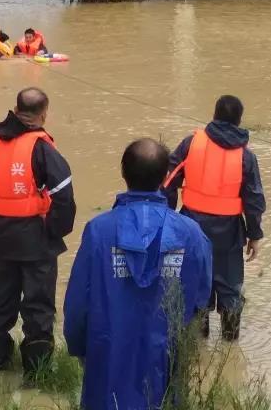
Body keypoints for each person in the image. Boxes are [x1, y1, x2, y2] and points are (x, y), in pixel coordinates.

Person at [63, 138, 212, 410]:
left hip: (108, 354)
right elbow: (201, 300)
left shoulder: (98, 231)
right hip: (167, 357)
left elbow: (76, 304)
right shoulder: (191, 234)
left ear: (123, 172)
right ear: (167, 177)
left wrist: (79, 348)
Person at [0, 88, 76, 376]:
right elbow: (64, 197)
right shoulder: (42, 148)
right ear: (43, 114)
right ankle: (36, 375)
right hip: (36, 240)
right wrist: (54, 232)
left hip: (2, 237)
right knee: (38, 306)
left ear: (16, 110)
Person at [163, 95, 266, 341]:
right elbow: (254, 201)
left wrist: (167, 217)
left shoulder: (191, 143)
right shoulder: (246, 157)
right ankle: (229, 349)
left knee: (198, 285)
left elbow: (168, 181)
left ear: (214, 114)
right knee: (230, 290)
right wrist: (254, 235)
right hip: (229, 234)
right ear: (239, 121)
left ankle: (198, 349)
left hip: (191, 230)